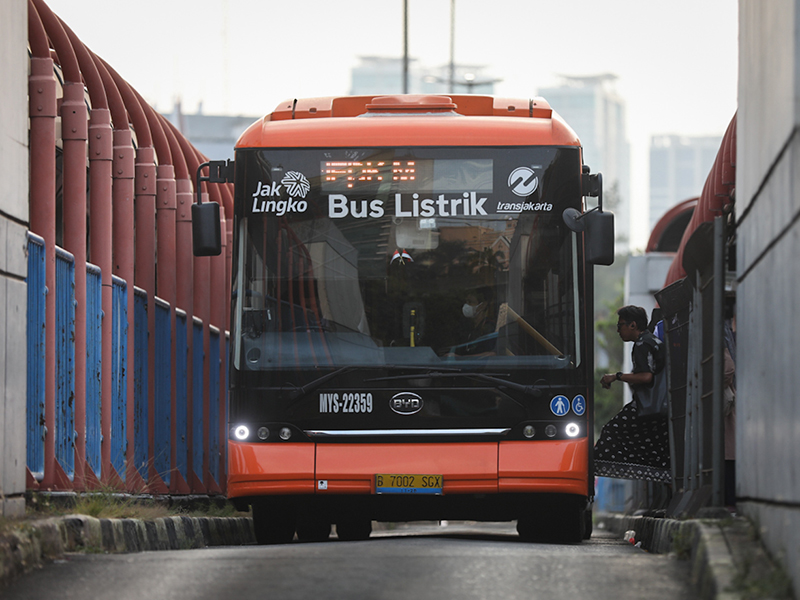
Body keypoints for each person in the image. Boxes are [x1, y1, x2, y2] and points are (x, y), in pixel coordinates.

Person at [594, 305, 671, 483]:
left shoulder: (642, 345)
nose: (618, 330)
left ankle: (614, 470)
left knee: (611, 432)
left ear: (633, 325)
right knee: (659, 452)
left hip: (650, 407)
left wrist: (616, 376)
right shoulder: (652, 341)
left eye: (620, 325)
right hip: (661, 406)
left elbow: (645, 377)